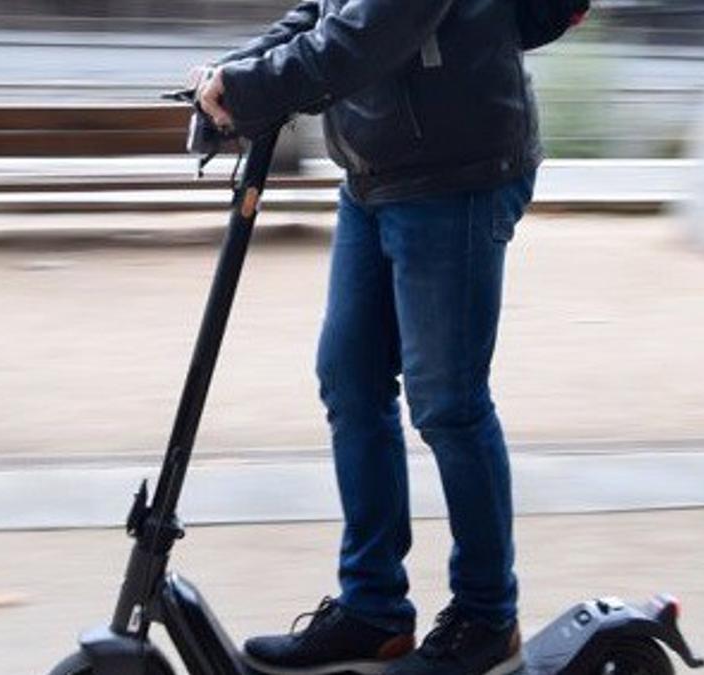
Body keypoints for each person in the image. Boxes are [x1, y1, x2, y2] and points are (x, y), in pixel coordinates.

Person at [191, 0, 539, 673]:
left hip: (457, 171)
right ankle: (373, 608)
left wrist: (257, 85)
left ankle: (488, 619)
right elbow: (325, 12)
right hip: (377, 173)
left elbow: (372, 32)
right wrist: (238, 69)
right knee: (350, 379)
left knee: (447, 401)